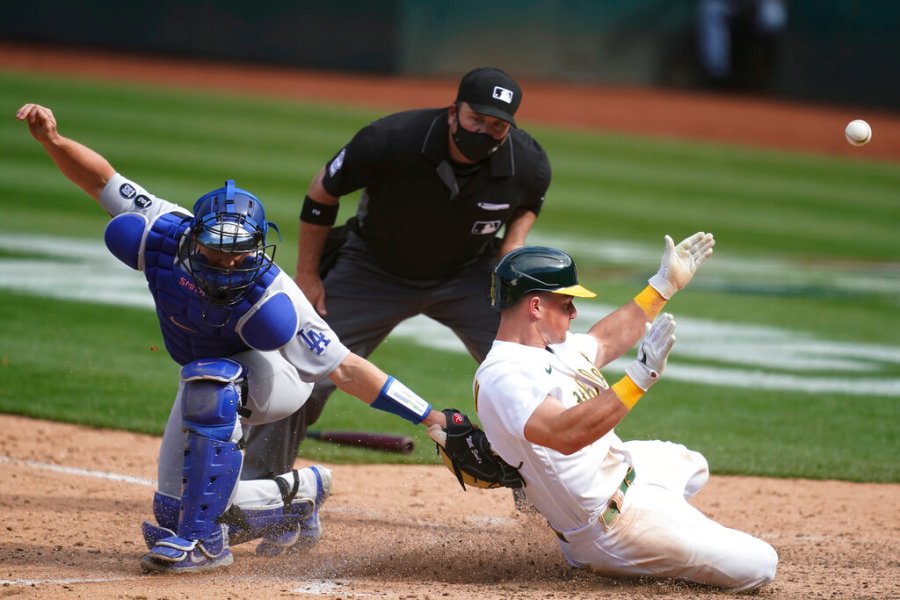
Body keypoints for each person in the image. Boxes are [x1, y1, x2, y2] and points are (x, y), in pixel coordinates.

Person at [16, 103, 453, 574]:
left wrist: (429, 417)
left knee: (212, 384)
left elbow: (345, 367)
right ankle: (300, 497)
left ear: (258, 246)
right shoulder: (163, 231)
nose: (228, 264)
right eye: (217, 251)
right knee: (171, 506)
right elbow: (100, 180)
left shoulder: (273, 292)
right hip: (209, 378)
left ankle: (204, 543)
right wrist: (53, 141)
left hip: (277, 379)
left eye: (240, 254)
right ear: (193, 236)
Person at [243, 67, 552, 481]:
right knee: (307, 370)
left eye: (497, 126)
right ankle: (254, 492)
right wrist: (308, 274)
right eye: (476, 119)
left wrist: (512, 246)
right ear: (453, 112)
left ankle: (547, 500)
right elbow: (322, 194)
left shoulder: (526, 162)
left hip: (467, 275)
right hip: (373, 269)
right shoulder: (391, 140)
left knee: (534, 372)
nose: (484, 131)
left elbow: (530, 200)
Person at [472, 237, 779, 592]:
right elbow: (563, 434)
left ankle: (672, 525)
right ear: (536, 306)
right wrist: (639, 378)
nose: (574, 313)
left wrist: (663, 285)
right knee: (761, 565)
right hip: (611, 528)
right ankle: (636, 551)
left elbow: (603, 340)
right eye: (567, 303)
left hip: (626, 477)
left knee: (688, 462)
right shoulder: (504, 375)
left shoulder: (552, 348)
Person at [696, 0, 788, 92]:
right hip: (728, 5)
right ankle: (717, 78)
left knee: (774, 16)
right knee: (711, 10)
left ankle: (768, 73)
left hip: (760, 5)